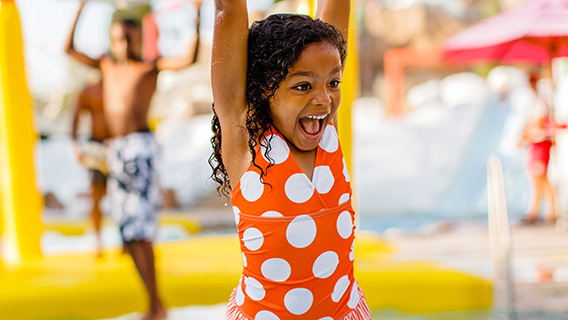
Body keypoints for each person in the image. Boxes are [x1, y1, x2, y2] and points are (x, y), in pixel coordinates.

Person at [210, 0, 372, 319]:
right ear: (264, 89)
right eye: (303, 86)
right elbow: (228, 11)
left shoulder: (327, 134)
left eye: (333, 83)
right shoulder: (246, 141)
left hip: (346, 311)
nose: (324, 99)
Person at [65, 1, 203, 319]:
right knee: (128, 236)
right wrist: (81, 8)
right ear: (110, 42)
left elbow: (188, 59)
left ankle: (156, 305)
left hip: (140, 149)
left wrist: (196, 15)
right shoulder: (106, 66)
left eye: (129, 39)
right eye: (118, 40)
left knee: (140, 232)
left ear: (139, 39)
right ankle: (154, 302)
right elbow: (69, 48)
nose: (124, 45)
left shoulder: (148, 68)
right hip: (116, 152)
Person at [518, 72, 566, 225]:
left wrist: (525, 135)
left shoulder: (540, 103)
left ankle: (548, 210)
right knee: (537, 178)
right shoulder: (535, 102)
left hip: (540, 143)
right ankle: (539, 209)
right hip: (536, 143)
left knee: (540, 177)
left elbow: (537, 124)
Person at [71, 78, 108, 257]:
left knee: (122, 195)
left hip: (119, 142)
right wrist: (75, 145)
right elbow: (75, 116)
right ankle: (97, 240)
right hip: (96, 145)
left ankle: (128, 240)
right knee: (95, 194)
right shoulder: (90, 90)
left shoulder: (121, 84)